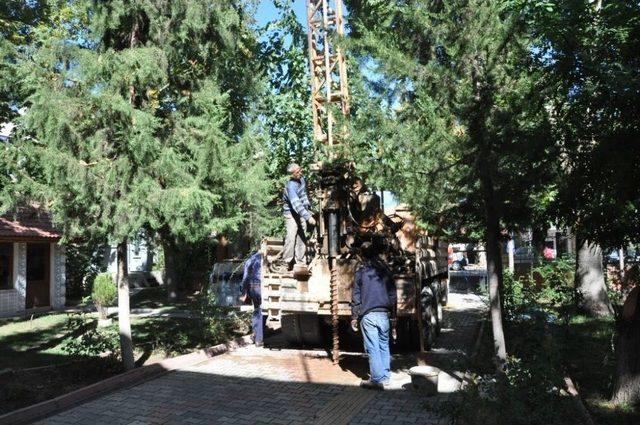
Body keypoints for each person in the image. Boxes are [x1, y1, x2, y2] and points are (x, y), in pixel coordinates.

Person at [350, 241, 397, 390]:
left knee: (373, 347)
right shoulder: (386, 271)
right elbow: (393, 295)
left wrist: (354, 317)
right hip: (384, 315)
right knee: (384, 345)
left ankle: (376, 380)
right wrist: (394, 316)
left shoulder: (361, 273)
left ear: (363, 256)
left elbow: (356, 296)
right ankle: (385, 377)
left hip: (368, 315)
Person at [278, 163, 316, 271]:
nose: (300, 172)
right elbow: (296, 204)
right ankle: (286, 262)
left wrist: (308, 208)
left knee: (302, 235)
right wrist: (308, 217)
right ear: (292, 174)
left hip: (301, 211)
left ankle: (300, 261)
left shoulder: (301, 179)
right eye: (297, 172)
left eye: (300, 170)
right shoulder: (290, 187)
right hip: (290, 213)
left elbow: (303, 195)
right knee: (291, 236)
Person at [240, 250, 264, 347]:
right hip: (262, 287)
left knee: (256, 310)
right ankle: (259, 339)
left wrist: (243, 292)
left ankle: (255, 335)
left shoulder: (250, 260)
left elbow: (245, 278)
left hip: (252, 287)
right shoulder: (265, 258)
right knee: (261, 311)